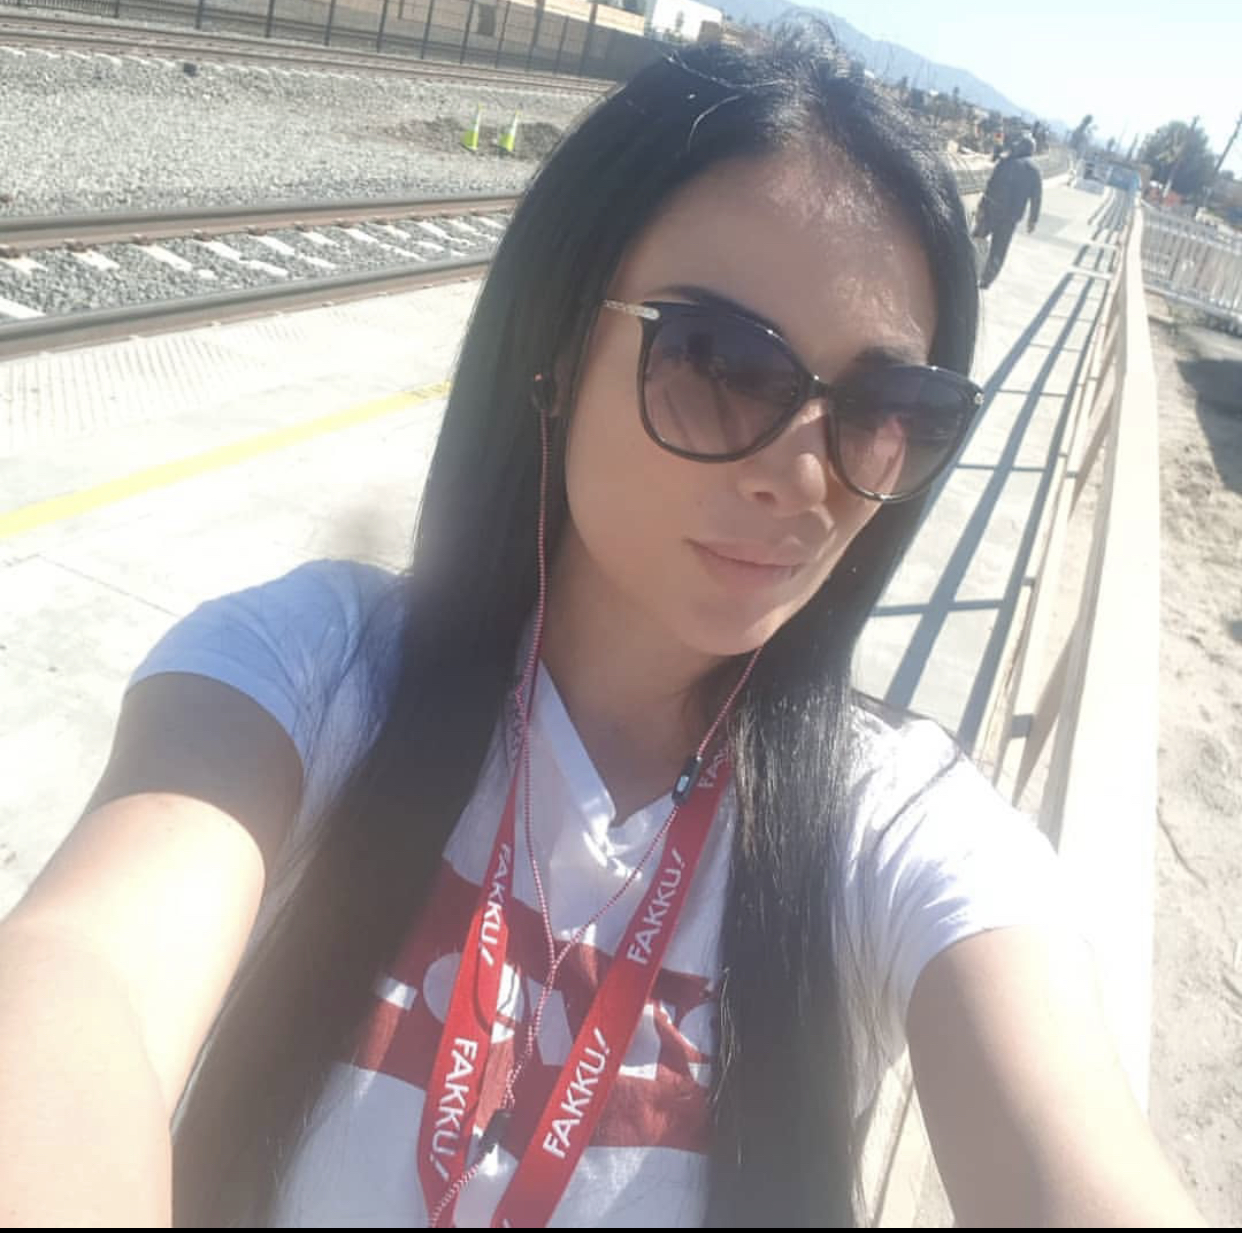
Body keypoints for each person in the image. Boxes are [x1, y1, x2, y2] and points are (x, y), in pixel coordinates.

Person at [0, 28, 1203, 1230]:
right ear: (559, 346)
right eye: (721, 363)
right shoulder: (319, 672)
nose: (803, 478)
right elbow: (86, 977)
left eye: (888, 408)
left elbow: (1070, 1142)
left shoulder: (889, 834)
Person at [974, 134, 1043, 289]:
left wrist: (981, 206)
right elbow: (1036, 198)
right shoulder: (1034, 171)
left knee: (977, 239)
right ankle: (986, 280)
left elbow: (990, 185)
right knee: (999, 249)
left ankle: (969, 269)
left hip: (991, 210)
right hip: (1011, 218)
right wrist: (1033, 220)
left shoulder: (1006, 162)